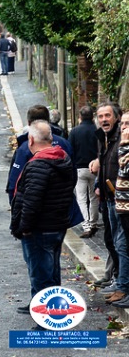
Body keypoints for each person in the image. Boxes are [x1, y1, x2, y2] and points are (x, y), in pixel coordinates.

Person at [10, 120, 76, 309]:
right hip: (57, 225)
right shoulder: (62, 159)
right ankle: (52, 314)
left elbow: (31, 201)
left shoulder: (38, 164)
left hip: (40, 228)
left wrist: (24, 228)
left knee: (41, 276)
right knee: (52, 273)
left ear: (30, 140)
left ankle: (46, 323)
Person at [89, 103, 128, 304]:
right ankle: (119, 281)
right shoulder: (103, 138)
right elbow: (105, 164)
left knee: (121, 244)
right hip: (109, 198)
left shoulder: (121, 139)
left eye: (108, 115)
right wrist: (98, 183)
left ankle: (123, 286)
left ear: (117, 118)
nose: (104, 119)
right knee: (113, 242)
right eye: (100, 116)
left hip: (121, 200)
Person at [6, 105, 73, 204]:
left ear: (29, 123)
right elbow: (73, 174)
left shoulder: (25, 148)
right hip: (63, 206)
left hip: (34, 208)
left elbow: (14, 182)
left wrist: (16, 210)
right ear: (48, 121)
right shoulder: (64, 143)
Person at [69, 106, 99, 238]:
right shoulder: (97, 131)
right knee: (93, 197)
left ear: (79, 117)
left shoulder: (75, 131)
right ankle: (93, 222)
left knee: (81, 198)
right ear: (92, 117)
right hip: (95, 168)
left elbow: (70, 150)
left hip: (79, 168)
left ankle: (86, 224)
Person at [112, 111, 129, 308]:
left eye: (128, 124)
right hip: (123, 207)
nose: (124, 127)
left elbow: (125, 169)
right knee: (122, 246)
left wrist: (124, 144)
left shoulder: (125, 146)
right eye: (123, 123)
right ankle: (124, 288)